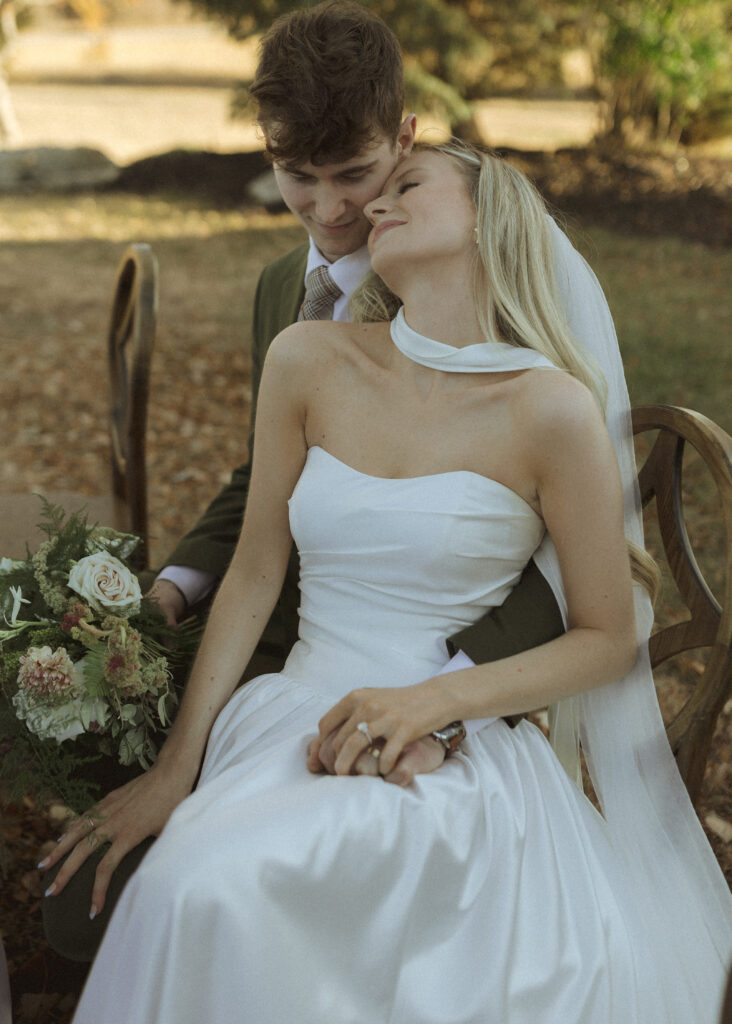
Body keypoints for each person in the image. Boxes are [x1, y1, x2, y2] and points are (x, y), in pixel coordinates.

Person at [58, 140, 731, 1022]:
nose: (374, 206)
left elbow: (608, 634)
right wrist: (177, 766)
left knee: (267, 889)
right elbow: (258, 570)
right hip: (292, 715)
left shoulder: (550, 409)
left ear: (491, 217)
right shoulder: (308, 358)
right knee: (197, 887)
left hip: (449, 742)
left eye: (407, 185)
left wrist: (437, 705)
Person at [41, 0, 610, 960]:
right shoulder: (283, 295)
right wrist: (174, 588)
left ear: (406, 137)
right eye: (297, 176)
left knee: (233, 905)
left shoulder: (472, 286)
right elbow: (264, 483)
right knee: (70, 829)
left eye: (355, 173)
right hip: (270, 657)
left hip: (429, 676)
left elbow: (561, 557)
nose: (333, 208)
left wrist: (444, 702)